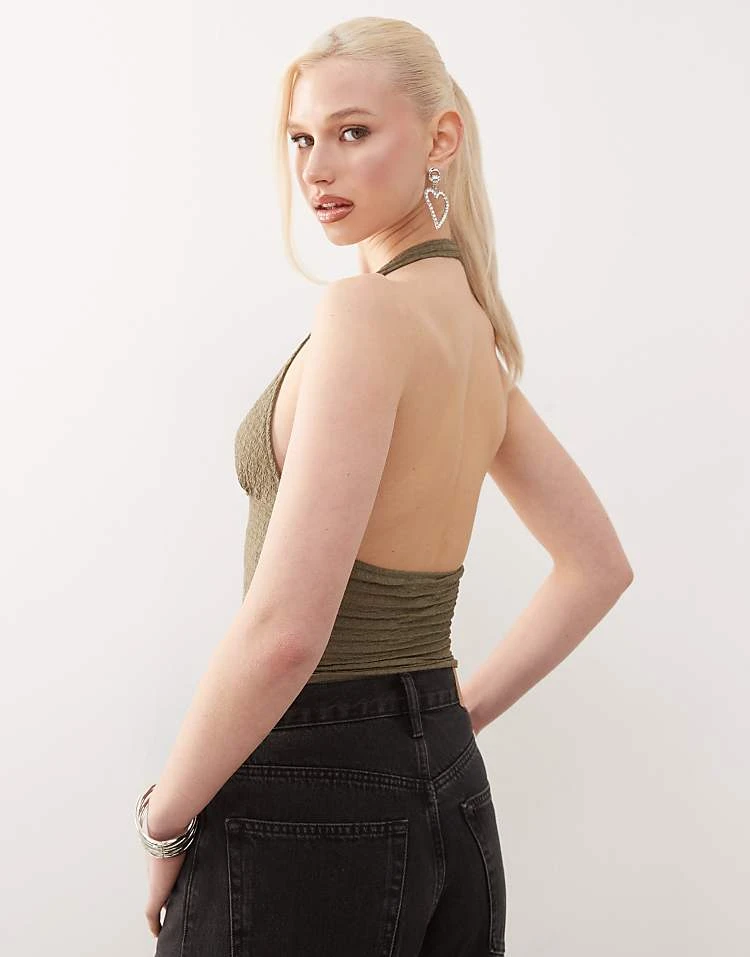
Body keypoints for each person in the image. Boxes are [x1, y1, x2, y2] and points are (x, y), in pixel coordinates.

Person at [136, 16, 634, 956]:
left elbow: (286, 634)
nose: (316, 168)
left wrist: (166, 817)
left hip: (309, 790)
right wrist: (448, 718)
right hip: (448, 787)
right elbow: (598, 566)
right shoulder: (476, 342)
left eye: (352, 132)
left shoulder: (364, 314)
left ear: (441, 138)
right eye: (301, 139)